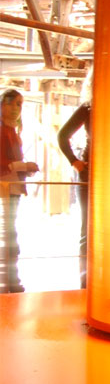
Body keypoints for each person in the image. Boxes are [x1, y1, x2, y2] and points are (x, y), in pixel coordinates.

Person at [1, 89, 40, 293]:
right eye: (13, 103)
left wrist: (26, 168)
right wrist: (23, 166)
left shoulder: (13, 131)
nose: (16, 108)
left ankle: (11, 279)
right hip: (4, 189)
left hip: (12, 188)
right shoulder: (3, 131)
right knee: (8, 235)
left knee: (10, 234)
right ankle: (9, 281)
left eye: (20, 104)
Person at [58, 96, 92, 288]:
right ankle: (86, 284)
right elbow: (63, 135)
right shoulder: (88, 108)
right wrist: (75, 162)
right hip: (89, 173)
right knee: (88, 229)